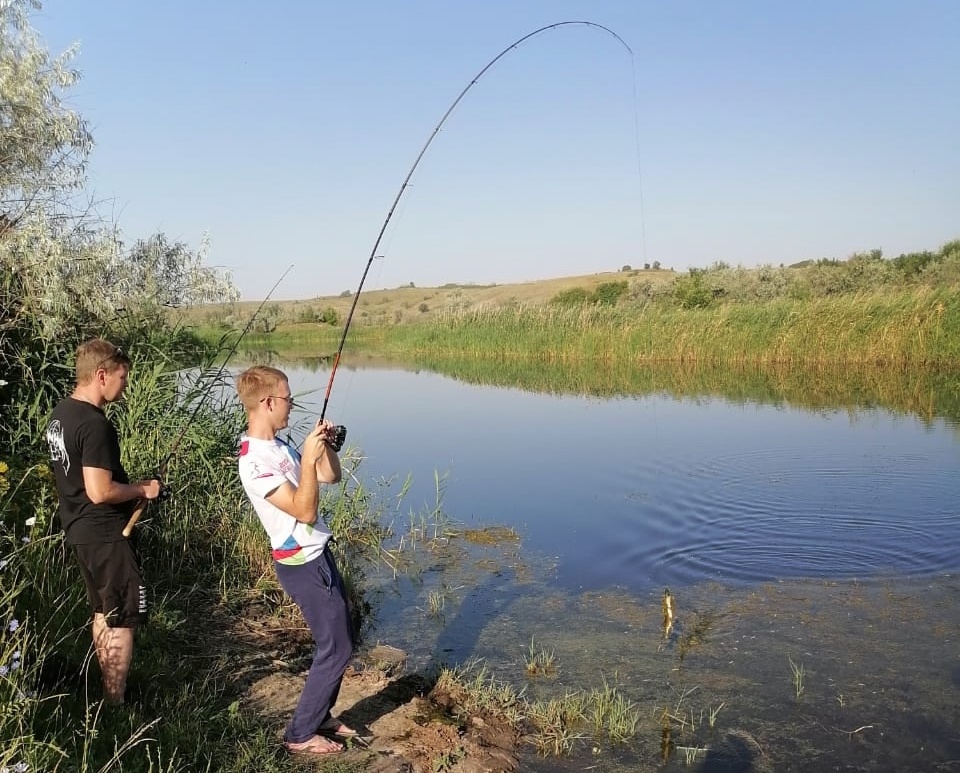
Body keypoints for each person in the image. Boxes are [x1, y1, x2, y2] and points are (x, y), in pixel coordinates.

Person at [235, 365, 356, 756]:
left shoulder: (280, 444)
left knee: (342, 639)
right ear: (268, 402)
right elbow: (304, 511)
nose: (293, 405)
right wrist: (306, 462)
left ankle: (320, 715)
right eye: (288, 399)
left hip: (318, 554)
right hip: (302, 564)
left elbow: (329, 477)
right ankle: (300, 733)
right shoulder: (254, 462)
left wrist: (325, 448)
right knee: (335, 648)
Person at [45, 339, 163, 704]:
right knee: (123, 616)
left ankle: (108, 691)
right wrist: (142, 489)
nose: (125, 385)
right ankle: (115, 703)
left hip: (79, 529)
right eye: (122, 377)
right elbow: (99, 491)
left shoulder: (61, 414)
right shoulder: (94, 425)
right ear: (101, 375)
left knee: (103, 610)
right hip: (106, 534)